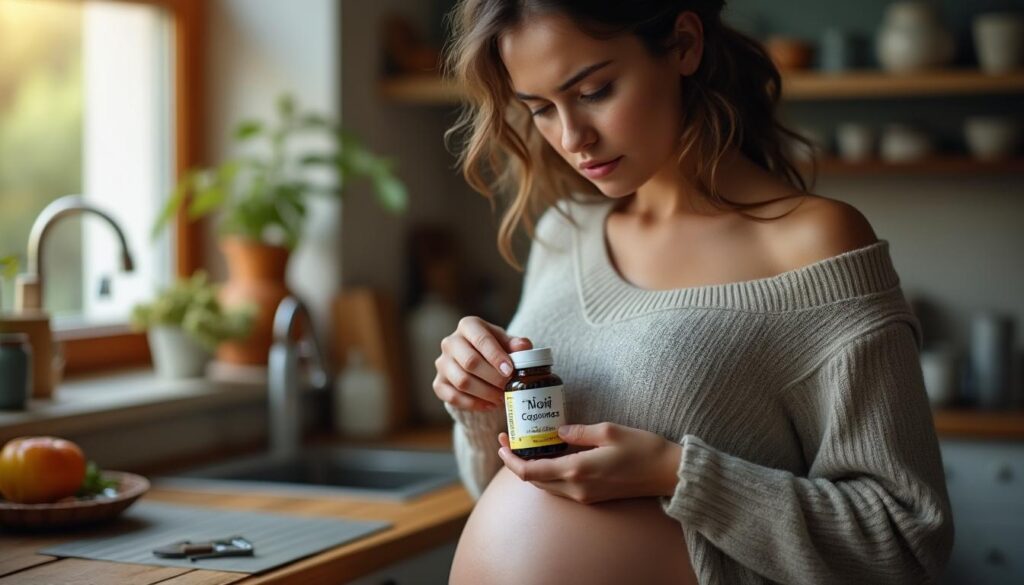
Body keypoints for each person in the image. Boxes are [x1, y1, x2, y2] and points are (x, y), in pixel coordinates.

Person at [432, 1, 954, 584]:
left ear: (683, 44)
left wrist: (677, 474)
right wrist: (477, 400)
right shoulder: (563, 235)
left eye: (595, 91)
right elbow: (497, 490)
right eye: (540, 110)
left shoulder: (815, 245)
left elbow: (907, 541)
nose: (572, 137)